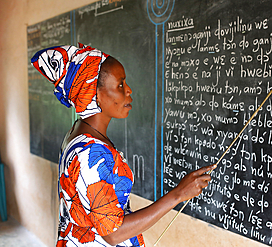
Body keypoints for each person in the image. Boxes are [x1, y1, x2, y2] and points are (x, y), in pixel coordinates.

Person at [31, 44, 215, 247]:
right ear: (95, 93)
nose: (129, 90)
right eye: (120, 85)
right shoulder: (89, 152)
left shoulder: (82, 133)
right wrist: (178, 194)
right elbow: (113, 233)